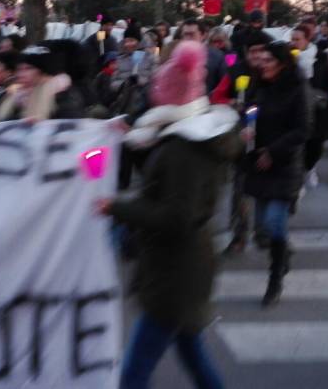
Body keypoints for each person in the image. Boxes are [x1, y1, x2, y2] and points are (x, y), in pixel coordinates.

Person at [96, 41, 241, 389]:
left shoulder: (183, 149)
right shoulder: (187, 136)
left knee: (134, 374)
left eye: (158, 88)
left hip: (175, 274)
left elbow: (176, 215)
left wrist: (115, 206)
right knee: (192, 353)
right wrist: (130, 137)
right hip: (180, 267)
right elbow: (164, 180)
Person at [244, 42, 310, 305]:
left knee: (274, 221)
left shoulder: (297, 89)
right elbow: (249, 112)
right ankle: (283, 254)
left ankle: (275, 279)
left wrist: (273, 151)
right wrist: (246, 128)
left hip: (284, 163)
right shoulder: (259, 85)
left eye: (268, 60)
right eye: (261, 60)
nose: (263, 65)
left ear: (282, 64)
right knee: (262, 228)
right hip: (259, 163)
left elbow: (302, 129)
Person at [212, 31, 271, 254]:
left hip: (268, 138)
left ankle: (262, 232)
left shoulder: (274, 71)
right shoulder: (236, 71)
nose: (257, 55)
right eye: (252, 51)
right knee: (241, 188)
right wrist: (231, 102)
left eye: (261, 51)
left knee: (265, 188)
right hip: (241, 137)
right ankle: (239, 235)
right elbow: (216, 96)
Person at [0, 42, 87, 121]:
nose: (20, 74)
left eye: (28, 68)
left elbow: (69, 128)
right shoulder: (16, 97)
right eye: (19, 69)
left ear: (44, 73)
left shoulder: (64, 98)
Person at [292, 24, 328, 189]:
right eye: (292, 39)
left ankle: (310, 167)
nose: (294, 43)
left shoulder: (321, 58)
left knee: (315, 143)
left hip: (317, 108)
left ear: (307, 40)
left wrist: (324, 97)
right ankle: (296, 178)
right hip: (296, 107)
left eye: (297, 39)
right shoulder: (287, 57)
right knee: (298, 142)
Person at [110, 25, 156, 116]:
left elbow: (155, 79)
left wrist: (140, 81)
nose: (128, 44)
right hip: (122, 101)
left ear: (139, 41)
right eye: (126, 41)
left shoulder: (150, 58)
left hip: (144, 102)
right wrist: (124, 84)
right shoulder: (120, 59)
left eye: (131, 40)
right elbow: (113, 83)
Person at [179, 19, 228, 94]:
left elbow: (224, 84)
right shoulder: (175, 56)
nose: (188, 38)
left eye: (192, 34)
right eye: (186, 34)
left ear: (203, 35)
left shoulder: (218, 56)